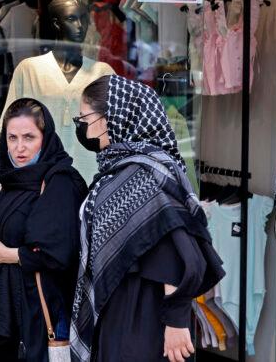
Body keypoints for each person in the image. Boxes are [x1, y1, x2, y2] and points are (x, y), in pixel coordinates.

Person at [70, 75, 225, 362]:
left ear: (112, 117)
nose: (82, 126)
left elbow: (173, 250)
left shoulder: (146, 175)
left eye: (85, 117)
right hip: (120, 311)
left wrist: (175, 320)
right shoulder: (121, 168)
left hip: (143, 318)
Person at [0, 98, 88, 362]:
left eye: (29, 137)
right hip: (4, 319)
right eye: (12, 138)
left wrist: (10, 255)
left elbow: (59, 253)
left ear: (45, 138)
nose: (19, 148)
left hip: (36, 321)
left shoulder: (60, 183)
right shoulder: (13, 182)